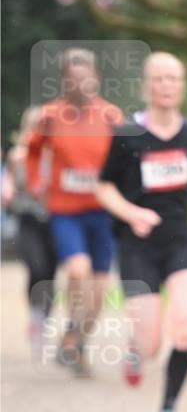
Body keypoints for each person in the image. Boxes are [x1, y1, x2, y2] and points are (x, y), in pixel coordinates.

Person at [96, 52, 187, 412]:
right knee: (150, 342)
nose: (167, 86)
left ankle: (169, 409)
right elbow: (103, 187)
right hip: (137, 245)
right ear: (146, 85)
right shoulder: (126, 135)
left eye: (174, 79)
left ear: (182, 86)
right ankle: (136, 349)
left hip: (180, 241)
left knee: (186, 329)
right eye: (159, 79)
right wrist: (132, 212)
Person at [25, 49, 123, 376]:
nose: (81, 83)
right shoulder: (50, 115)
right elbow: (33, 150)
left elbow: (128, 157)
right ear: (65, 80)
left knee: (99, 291)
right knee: (78, 272)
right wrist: (37, 180)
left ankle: (75, 341)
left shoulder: (111, 116)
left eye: (86, 76)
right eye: (74, 77)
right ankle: (71, 340)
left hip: (102, 213)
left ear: (96, 77)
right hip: (65, 211)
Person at [2, 107, 58, 357]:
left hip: (55, 220)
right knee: (36, 267)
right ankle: (35, 315)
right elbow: (9, 182)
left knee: (49, 272)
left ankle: (43, 319)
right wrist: (8, 191)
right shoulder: (18, 156)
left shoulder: (57, 155)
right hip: (27, 219)